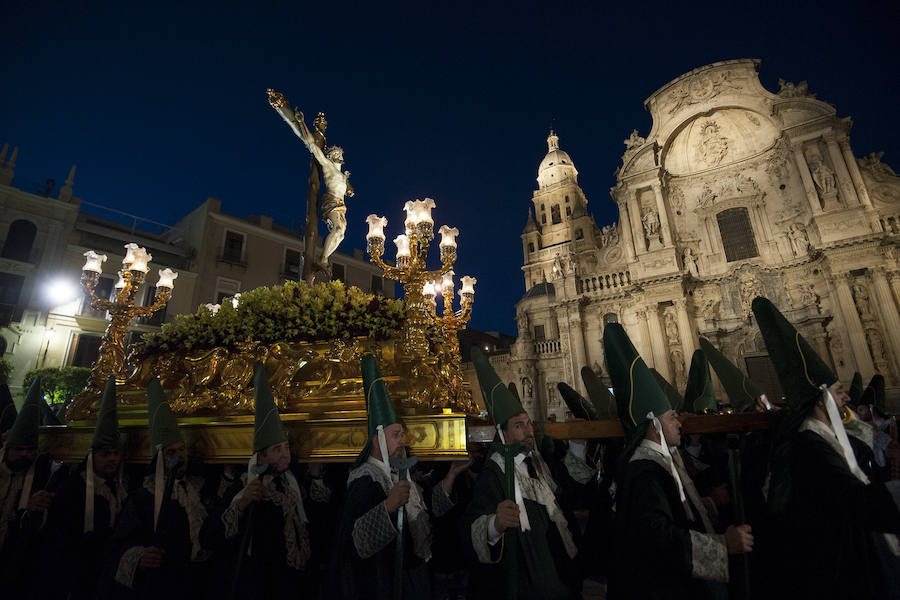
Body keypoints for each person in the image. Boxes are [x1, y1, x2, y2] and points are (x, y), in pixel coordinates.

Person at [752, 296, 900, 599]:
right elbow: (853, 500)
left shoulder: (821, 438)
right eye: (839, 391)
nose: (846, 398)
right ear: (821, 399)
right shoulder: (809, 445)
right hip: (835, 567)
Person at [604, 323, 752, 600]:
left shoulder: (660, 462)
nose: (679, 423)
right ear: (653, 425)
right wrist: (721, 547)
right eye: (672, 416)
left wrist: (707, 504)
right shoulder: (645, 472)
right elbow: (657, 539)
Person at [333, 354, 454, 599]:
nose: (403, 441)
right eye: (396, 435)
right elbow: (354, 542)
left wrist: (453, 473)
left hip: (413, 576)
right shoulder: (365, 481)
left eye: (402, 434)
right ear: (378, 441)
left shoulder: (399, 473)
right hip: (383, 582)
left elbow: (423, 511)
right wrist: (388, 505)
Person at [464, 348, 580, 600]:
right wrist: (495, 524)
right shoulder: (493, 474)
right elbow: (471, 529)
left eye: (528, 423)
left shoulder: (538, 464)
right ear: (503, 434)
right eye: (519, 426)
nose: (529, 431)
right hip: (523, 582)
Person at [105, 378, 220, 600]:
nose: (179, 457)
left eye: (181, 450)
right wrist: (139, 557)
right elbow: (121, 542)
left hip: (200, 581)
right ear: (159, 458)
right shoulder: (143, 498)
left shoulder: (199, 488)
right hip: (165, 584)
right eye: (171, 453)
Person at [221, 361, 311, 598]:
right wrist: (242, 505)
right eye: (277, 450)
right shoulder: (243, 487)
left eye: (286, 448)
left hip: (291, 579)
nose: (285, 454)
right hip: (260, 580)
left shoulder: (292, 482)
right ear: (261, 456)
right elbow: (217, 535)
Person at [45, 376, 128, 600]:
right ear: (92, 456)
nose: (112, 459)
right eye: (105, 454)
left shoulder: (123, 486)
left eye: (116, 454)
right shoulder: (73, 487)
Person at [267, 88, 354, 271]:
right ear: (330, 156)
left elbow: (348, 189)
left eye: (339, 152)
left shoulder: (341, 175)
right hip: (331, 202)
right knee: (338, 230)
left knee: (342, 235)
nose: (339, 154)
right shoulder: (328, 166)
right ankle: (322, 259)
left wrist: (349, 186)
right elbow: (313, 145)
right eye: (335, 152)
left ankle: (325, 258)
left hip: (341, 205)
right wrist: (302, 122)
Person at [0, 377, 54, 596]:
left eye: (30, 450)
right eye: (20, 449)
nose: (26, 454)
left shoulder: (42, 474)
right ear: (7, 449)